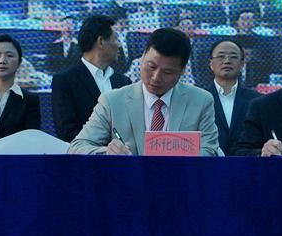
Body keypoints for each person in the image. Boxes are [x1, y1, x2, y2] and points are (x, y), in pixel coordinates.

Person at [68, 28, 221, 156]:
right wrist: (107, 153)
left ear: (182, 71)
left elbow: (210, 151)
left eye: (167, 72)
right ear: (142, 58)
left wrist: (181, 156)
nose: (156, 78)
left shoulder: (201, 101)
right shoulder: (112, 101)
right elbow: (77, 147)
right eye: (151, 67)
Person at [52, 14, 131, 142]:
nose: (120, 45)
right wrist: (105, 149)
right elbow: (67, 133)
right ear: (101, 42)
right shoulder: (65, 81)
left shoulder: (123, 82)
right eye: (116, 39)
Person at [207, 39, 260, 155]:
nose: (227, 61)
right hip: (208, 163)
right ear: (211, 64)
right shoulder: (199, 99)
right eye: (221, 56)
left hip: (246, 163)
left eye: (233, 57)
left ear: (242, 64)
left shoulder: (258, 101)